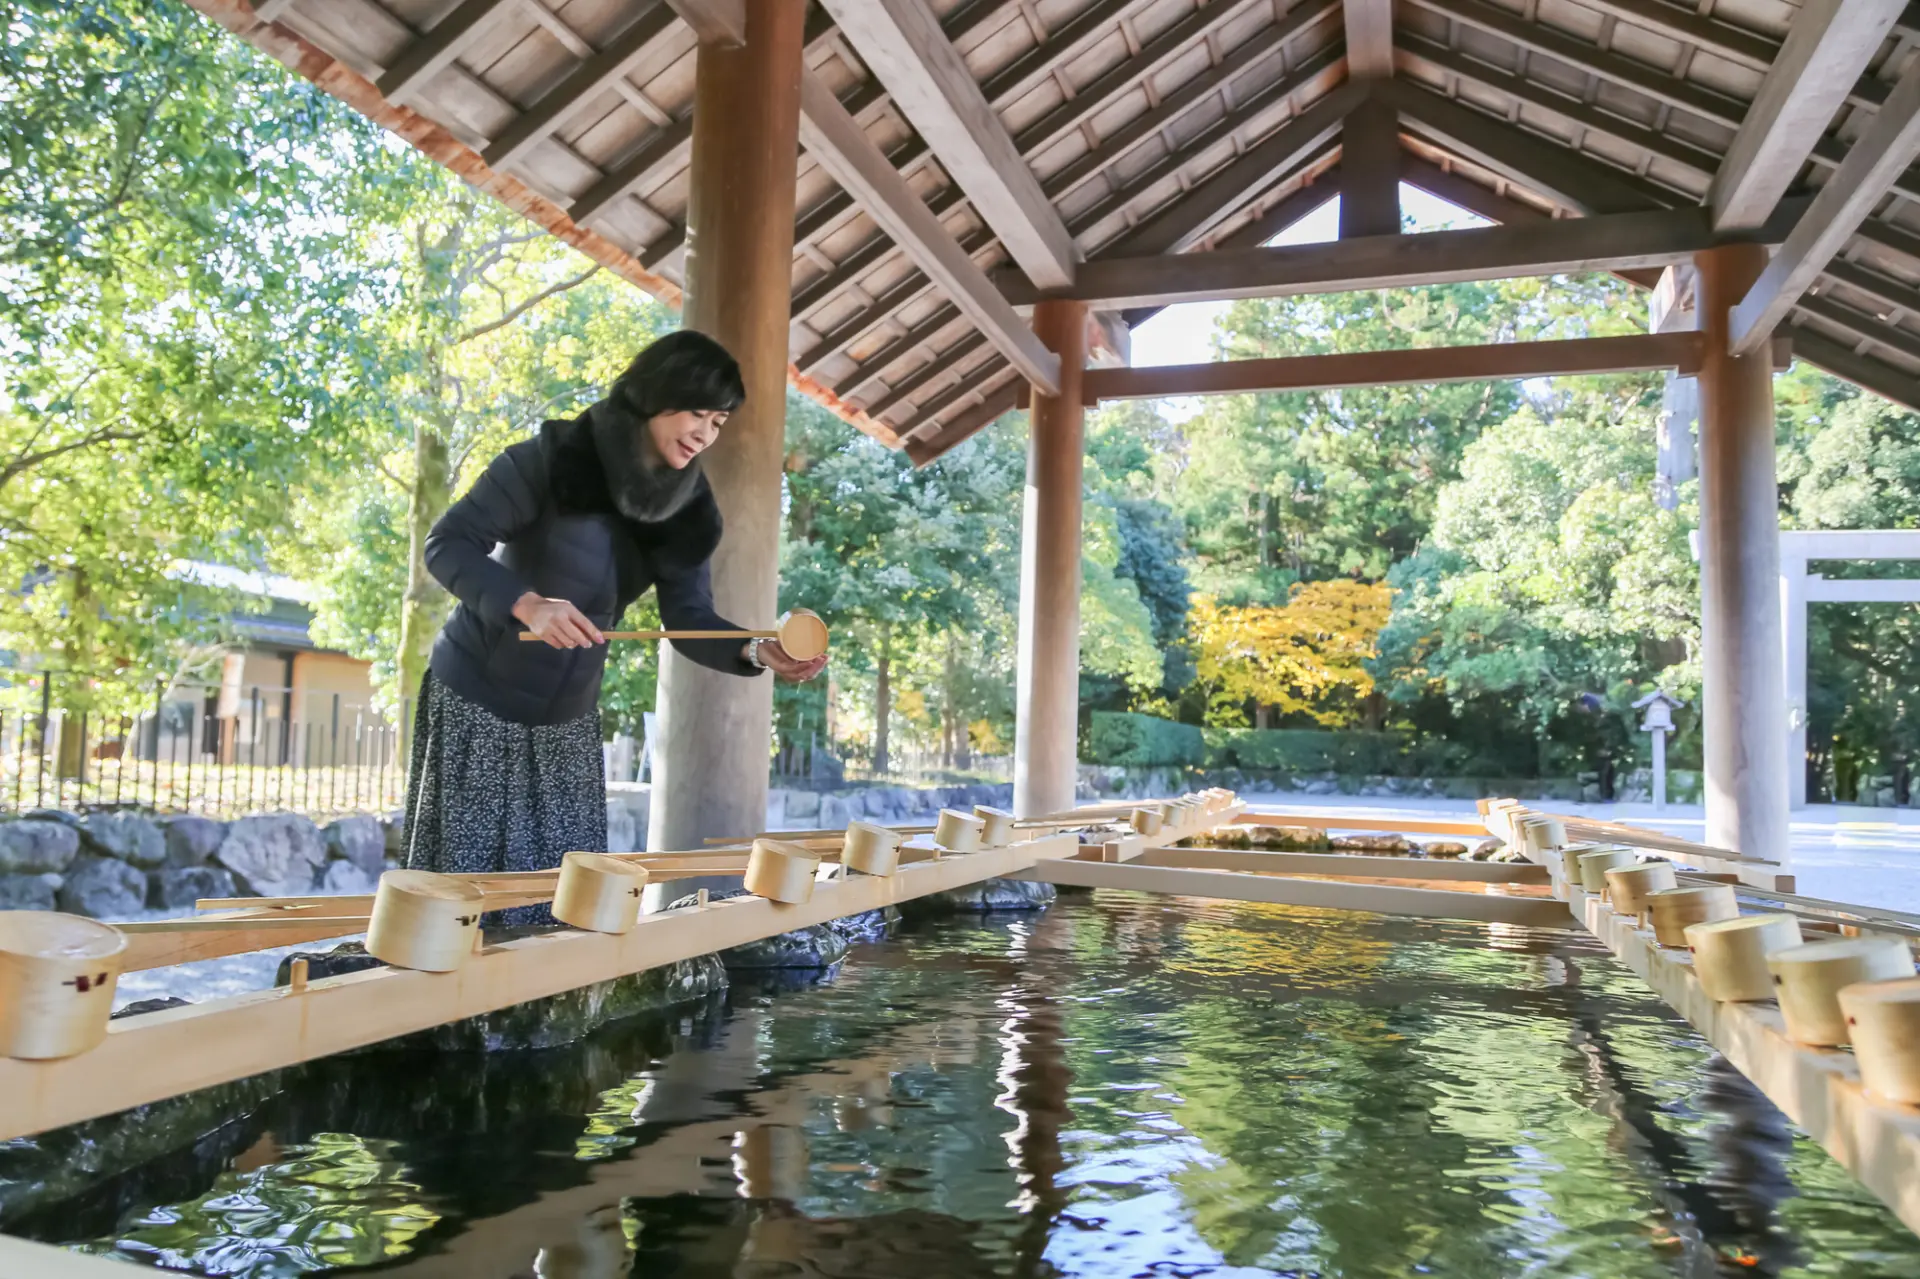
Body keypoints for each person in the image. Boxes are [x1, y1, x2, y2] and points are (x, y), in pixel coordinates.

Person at [402, 329, 827, 922]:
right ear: (657, 393)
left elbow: (689, 619)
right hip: (477, 698)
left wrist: (758, 651)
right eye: (697, 412)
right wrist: (527, 604)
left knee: (562, 909)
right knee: (455, 909)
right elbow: (447, 543)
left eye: (719, 422)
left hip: (568, 721)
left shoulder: (690, 508)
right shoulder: (553, 458)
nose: (706, 432)